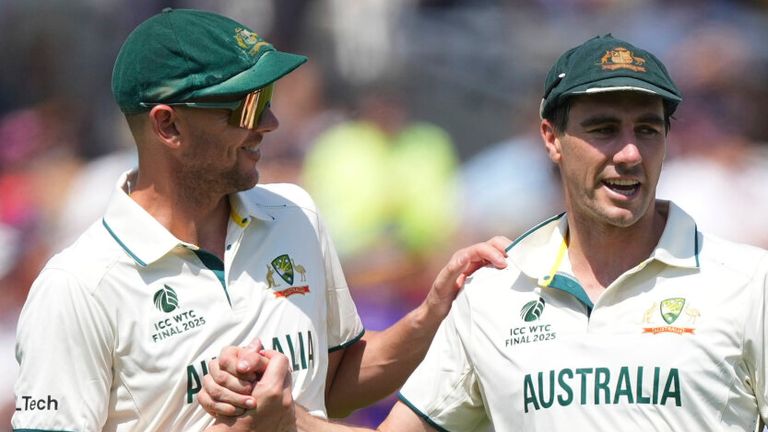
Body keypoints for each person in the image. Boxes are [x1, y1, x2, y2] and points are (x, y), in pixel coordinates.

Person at [203, 34, 768, 431]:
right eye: (602, 129)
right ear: (550, 137)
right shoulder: (497, 292)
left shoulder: (750, 284)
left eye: (648, 130)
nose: (628, 153)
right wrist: (285, 422)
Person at [11, 8, 510, 432]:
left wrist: (433, 315)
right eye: (247, 107)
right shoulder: (77, 286)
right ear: (168, 124)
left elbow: (334, 382)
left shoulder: (295, 214)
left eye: (267, 102)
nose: (269, 124)